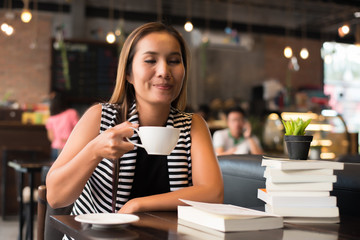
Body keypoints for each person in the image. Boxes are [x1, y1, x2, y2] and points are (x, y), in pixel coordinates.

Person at [46, 22, 223, 224]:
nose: (164, 71)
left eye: (174, 61)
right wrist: (95, 151)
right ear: (128, 73)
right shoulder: (100, 117)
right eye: (150, 60)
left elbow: (213, 194)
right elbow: (56, 197)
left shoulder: (193, 125)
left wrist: (138, 204)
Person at [45, 91, 79, 161]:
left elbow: (51, 137)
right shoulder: (72, 113)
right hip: (69, 147)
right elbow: (78, 131)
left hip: (56, 148)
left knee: (55, 170)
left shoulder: (51, 118)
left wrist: (59, 139)